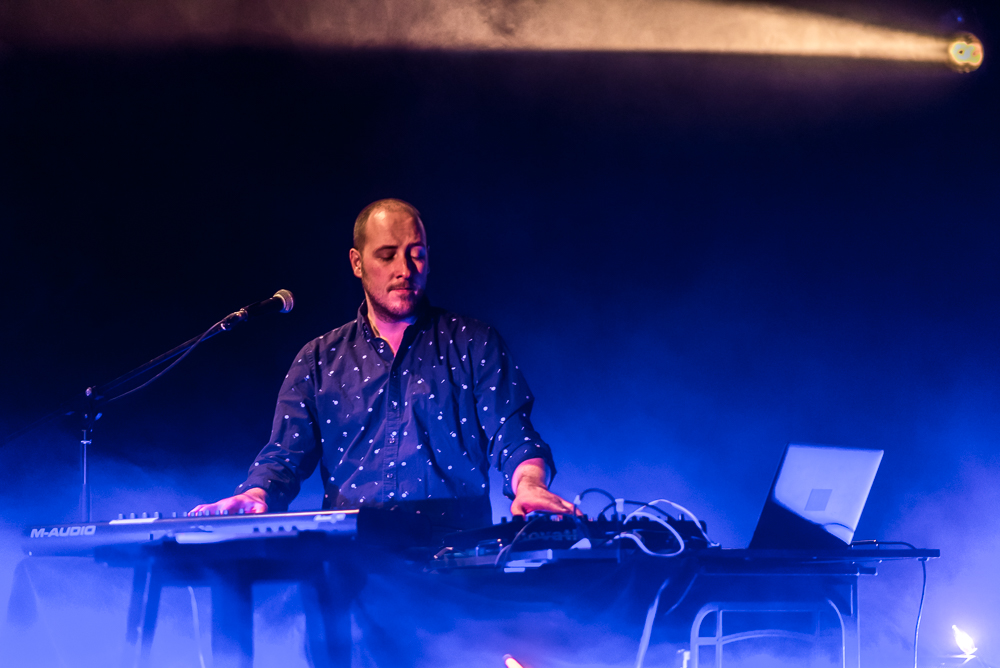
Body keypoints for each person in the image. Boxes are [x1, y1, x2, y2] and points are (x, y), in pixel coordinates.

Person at [191, 198, 574, 529]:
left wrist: (530, 486)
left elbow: (515, 437)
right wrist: (255, 494)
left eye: (416, 253)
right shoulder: (318, 359)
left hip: (456, 559)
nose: (405, 269)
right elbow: (283, 458)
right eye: (387, 255)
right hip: (353, 569)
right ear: (357, 263)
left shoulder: (474, 343)